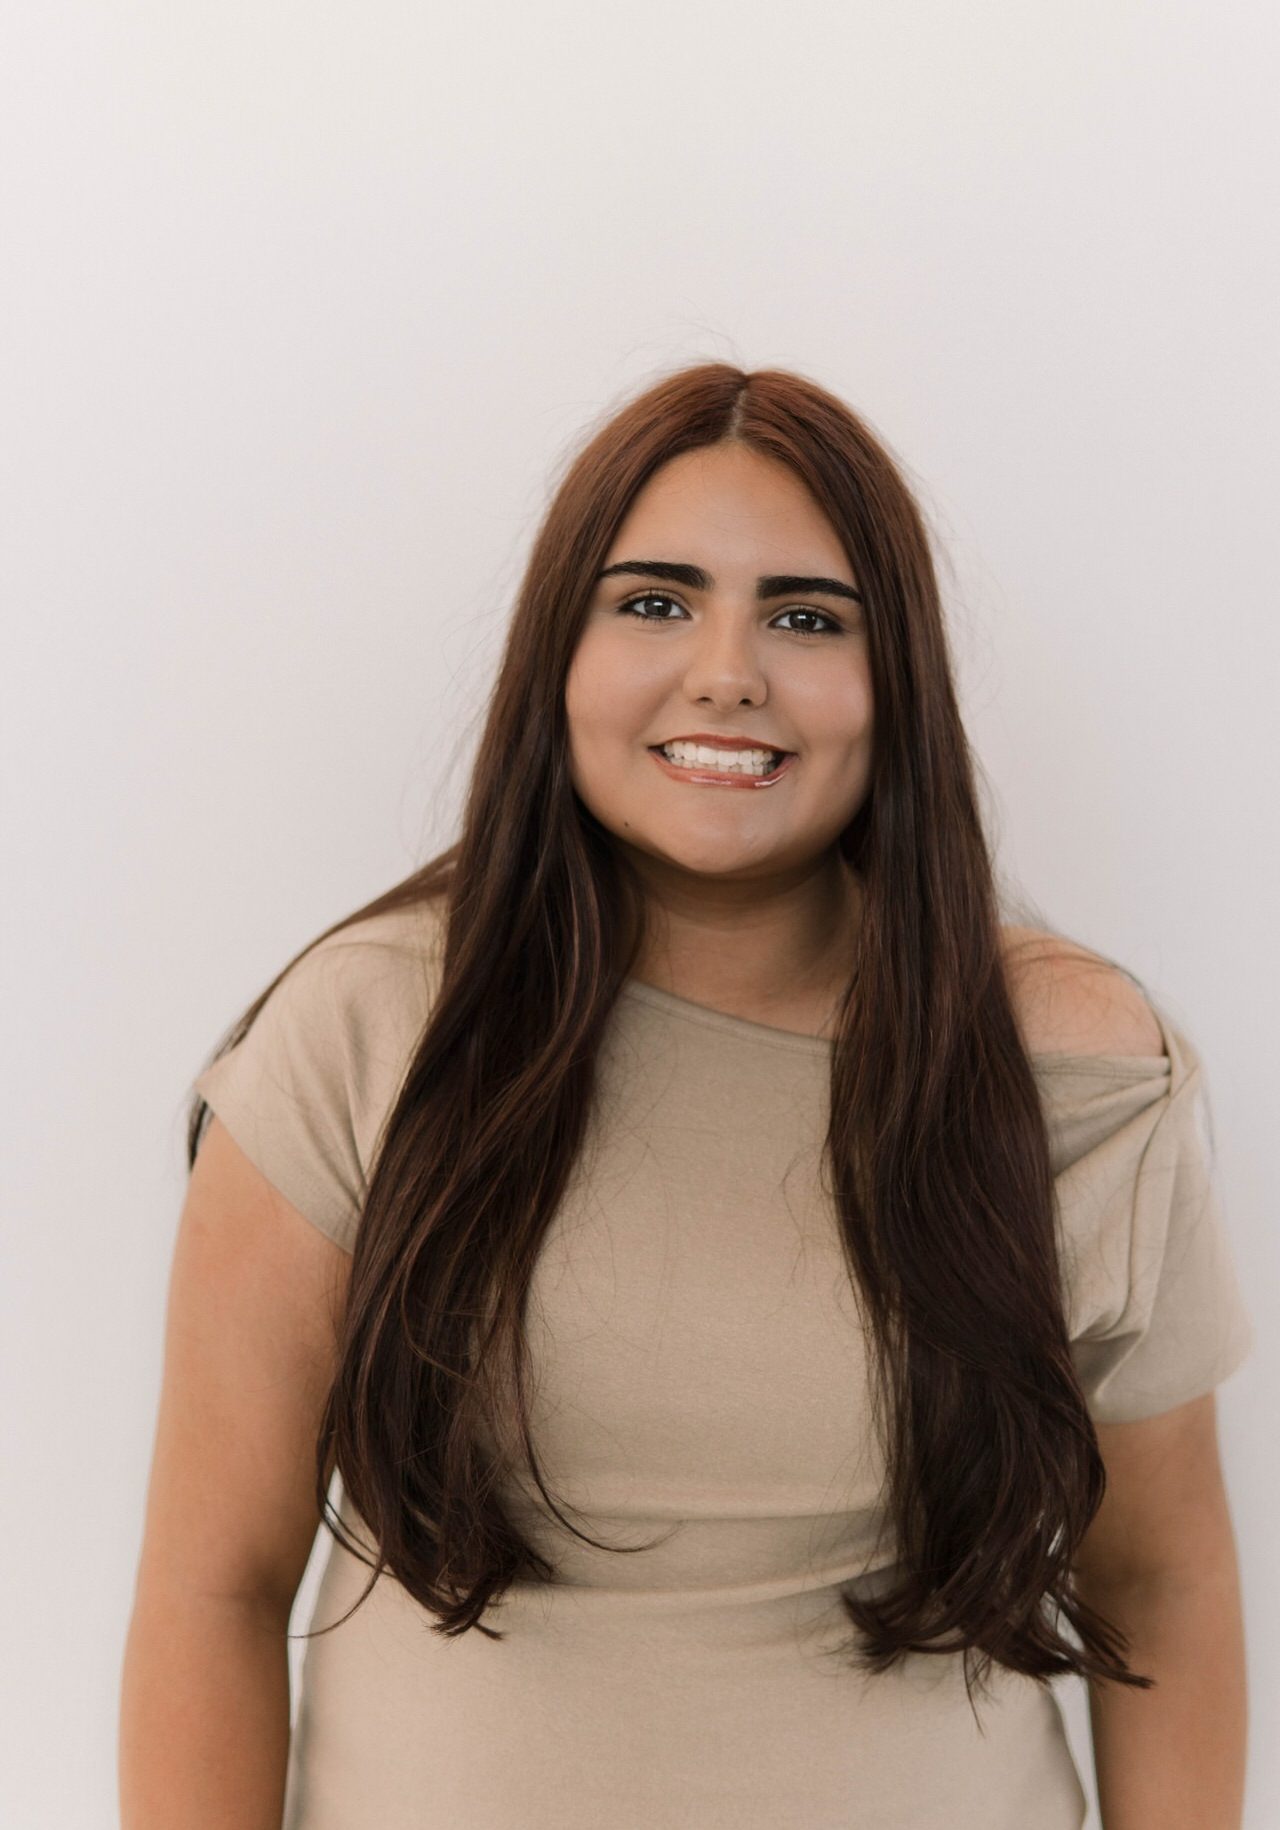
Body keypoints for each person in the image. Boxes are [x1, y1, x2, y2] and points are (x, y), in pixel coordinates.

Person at [120, 363, 1254, 1829]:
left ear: (892, 678)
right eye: (654, 601)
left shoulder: (1073, 1068)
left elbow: (1164, 1580)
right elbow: (214, 1583)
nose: (729, 670)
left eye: (806, 615)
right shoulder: (370, 1028)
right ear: (559, 658)